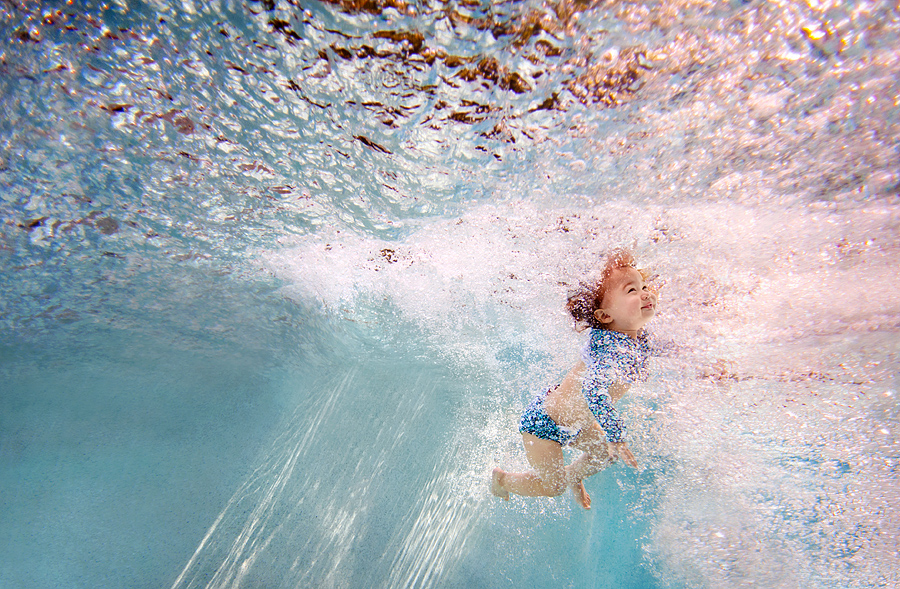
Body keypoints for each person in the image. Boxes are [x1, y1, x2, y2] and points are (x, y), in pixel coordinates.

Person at [490, 249, 658, 510]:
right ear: (605, 316)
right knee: (553, 488)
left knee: (603, 456)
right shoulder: (608, 348)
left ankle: (572, 477)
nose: (646, 293)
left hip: (576, 422)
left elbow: (673, 352)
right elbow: (593, 390)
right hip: (545, 425)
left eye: (644, 286)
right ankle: (502, 481)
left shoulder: (641, 338)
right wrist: (615, 432)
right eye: (632, 290)